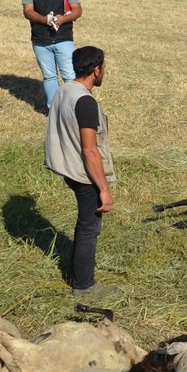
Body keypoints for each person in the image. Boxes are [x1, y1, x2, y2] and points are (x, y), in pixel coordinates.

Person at [44, 46, 117, 299]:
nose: (104, 70)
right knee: (89, 228)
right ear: (96, 70)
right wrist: (104, 190)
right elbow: (90, 151)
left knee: (86, 225)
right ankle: (84, 286)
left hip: (68, 167)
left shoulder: (64, 90)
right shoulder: (85, 102)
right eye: (104, 66)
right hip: (84, 175)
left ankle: (80, 278)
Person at [23, 0, 83, 109]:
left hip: (64, 38)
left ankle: (74, 109)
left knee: (69, 76)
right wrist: (45, 20)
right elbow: (28, 11)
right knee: (49, 77)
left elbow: (77, 10)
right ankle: (54, 110)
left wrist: (62, 19)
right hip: (40, 40)